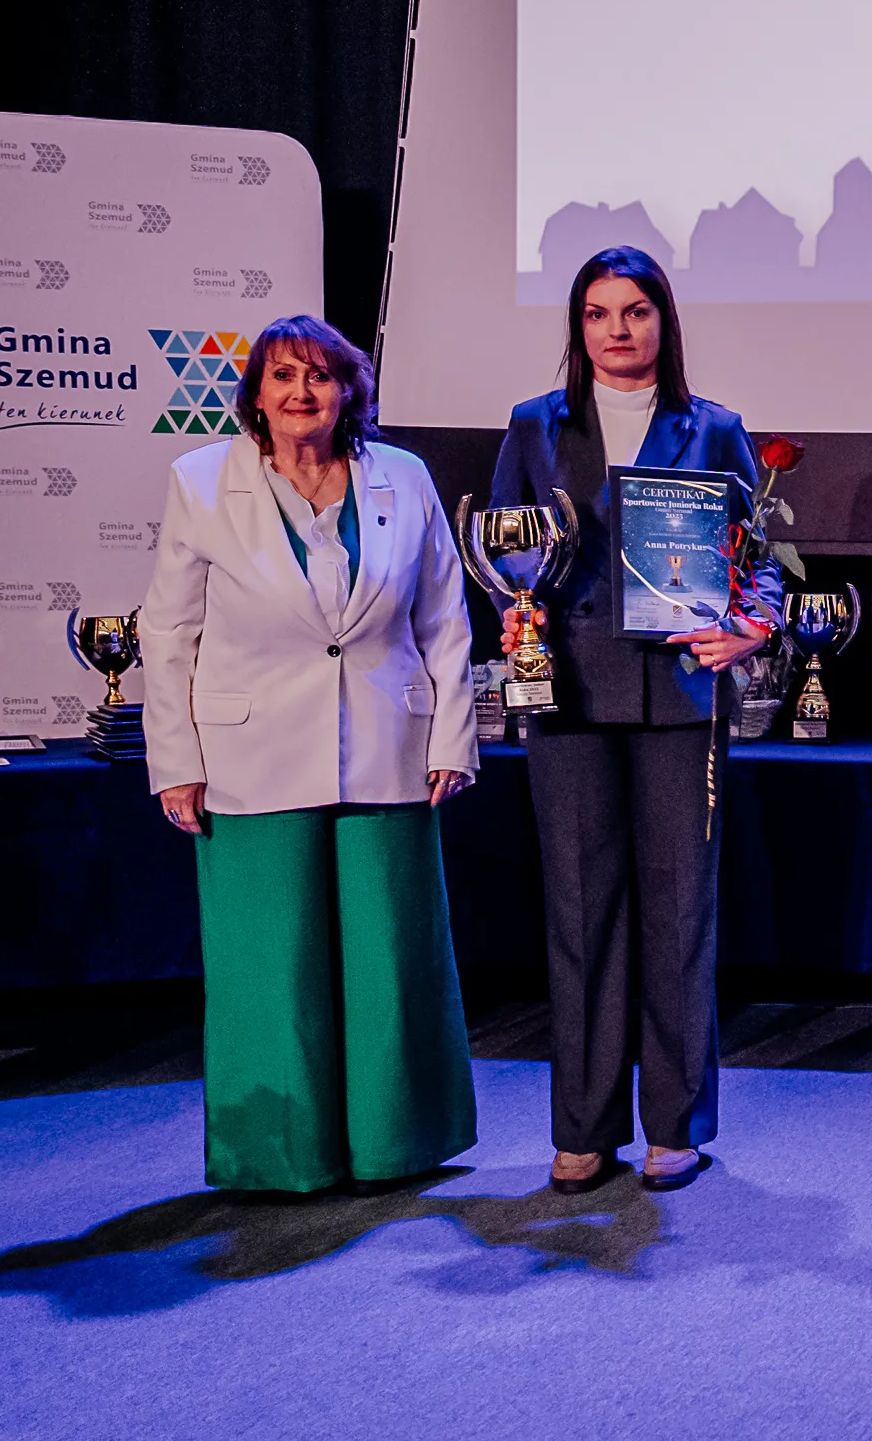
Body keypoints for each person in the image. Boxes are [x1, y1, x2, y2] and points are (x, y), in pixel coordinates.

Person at [138, 315, 479, 1193]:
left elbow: (444, 619)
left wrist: (453, 735)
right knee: (270, 964)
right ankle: (280, 1156)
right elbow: (168, 631)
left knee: (389, 960)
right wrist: (175, 759)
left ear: (348, 392)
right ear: (256, 392)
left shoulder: (404, 476)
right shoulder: (201, 481)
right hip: (247, 754)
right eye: (284, 375)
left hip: (389, 746)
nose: (302, 392)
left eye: (320, 376)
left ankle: (396, 1143)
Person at [487, 246, 779, 1196]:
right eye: (598, 313)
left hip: (679, 697)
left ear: (663, 321)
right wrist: (512, 615)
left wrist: (751, 625)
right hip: (568, 693)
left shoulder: (715, 427)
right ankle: (584, 1126)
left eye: (636, 311)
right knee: (580, 911)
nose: (618, 329)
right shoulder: (534, 425)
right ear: (578, 326)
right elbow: (501, 550)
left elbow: (761, 560)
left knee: (679, 913)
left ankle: (674, 1125)